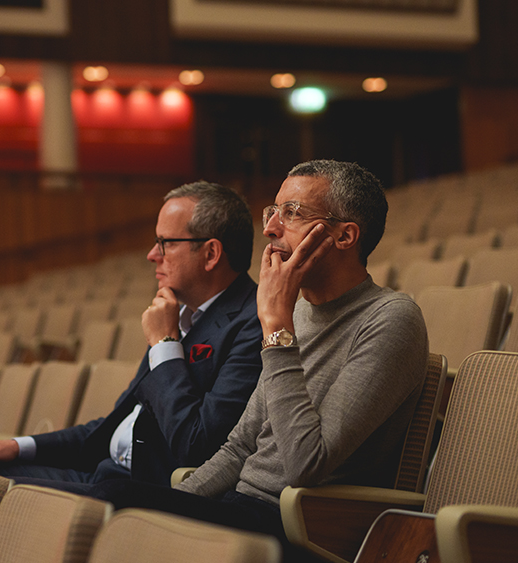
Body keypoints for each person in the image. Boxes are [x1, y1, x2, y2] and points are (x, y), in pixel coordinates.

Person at [86, 160, 429, 560]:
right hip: (238, 507)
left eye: (292, 213)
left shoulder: (390, 318)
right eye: (274, 212)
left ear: (344, 236)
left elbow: (306, 464)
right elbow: (239, 446)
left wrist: (276, 326)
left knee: (113, 495)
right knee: (113, 501)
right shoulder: (298, 312)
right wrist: (171, 508)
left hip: (299, 524)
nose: (269, 229)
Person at [0, 181, 263, 486]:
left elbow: (195, 446)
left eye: (165, 243)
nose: (152, 255)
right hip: (102, 471)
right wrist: (19, 446)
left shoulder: (252, 324)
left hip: (140, 491)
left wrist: (164, 344)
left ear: (211, 254)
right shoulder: (179, 316)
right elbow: (111, 428)